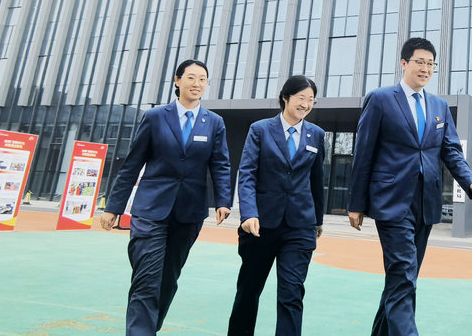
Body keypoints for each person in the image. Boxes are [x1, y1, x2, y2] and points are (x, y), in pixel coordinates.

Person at [348, 37, 472, 336]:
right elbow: (363, 153)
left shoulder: (439, 106)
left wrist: (470, 180)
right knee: (403, 273)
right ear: (404, 63)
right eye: (420, 62)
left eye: (430, 64)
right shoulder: (381, 99)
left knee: (403, 279)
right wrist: (356, 203)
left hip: (425, 202)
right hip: (391, 201)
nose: (425, 68)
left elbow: (451, 151)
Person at [100, 59, 232, 336]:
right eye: (191, 78)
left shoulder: (214, 123)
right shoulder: (155, 117)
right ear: (177, 80)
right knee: (146, 277)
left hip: (189, 212)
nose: (197, 84)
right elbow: (132, 164)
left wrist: (223, 201)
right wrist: (114, 206)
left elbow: (220, 164)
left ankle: (149, 327)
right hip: (151, 209)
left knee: (168, 279)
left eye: (202, 79)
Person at [227, 75, 325, 336]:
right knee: (249, 290)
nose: (306, 104)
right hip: (260, 225)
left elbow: (317, 181)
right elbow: (247, 174)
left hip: (299, 226)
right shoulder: (260, 130)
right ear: (285, 98)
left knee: (292, 292)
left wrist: (318, 220)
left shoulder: (316, 135)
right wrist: (249, 213)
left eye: (311, 100)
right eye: (301, 98)